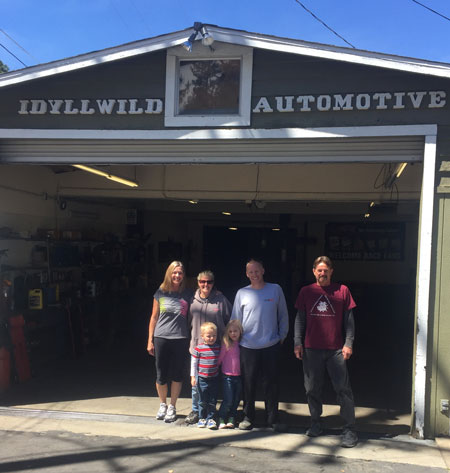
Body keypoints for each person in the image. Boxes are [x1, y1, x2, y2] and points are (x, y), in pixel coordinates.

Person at [294, 255, 358, 448]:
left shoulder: (342, 291)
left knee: (343, 389)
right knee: (312, 388)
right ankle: (316, 422)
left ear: (331, 271)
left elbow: (349, 321)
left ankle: (349, 429)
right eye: (319, 270)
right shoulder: (306, 291)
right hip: (312, 348)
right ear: (314, 271)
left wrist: (349, 343)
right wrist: (297, 342)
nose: (322, 273)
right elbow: (300, 319)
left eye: (326, 270)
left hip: (335, 349)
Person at [231, 259, 289, 431]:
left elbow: (283, 315)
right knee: (248, 383)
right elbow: (235, 320)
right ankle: (248, 416)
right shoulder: (242, 293)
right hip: (248, 346)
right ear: (246, 274)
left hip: (271, 344)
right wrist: (236, 340)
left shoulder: (275, 289)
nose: (254, 275)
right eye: (250, 272)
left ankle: (273, 418)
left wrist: (282, 336)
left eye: (257, 271)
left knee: (271, 383)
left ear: (263, 270)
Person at [185, 270, 232, 425]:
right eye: (202, 282)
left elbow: (229, 320)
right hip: (197, 347)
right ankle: (196, 411)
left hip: (216, 349)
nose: (206, 285)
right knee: (196, 383)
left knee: (212, 384)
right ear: (198, 283)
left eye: (209, 282)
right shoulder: (192, 300)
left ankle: (211, 412)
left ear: (213, 283)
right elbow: (186, 321)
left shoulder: (221, 300)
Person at [147, 261, 191, 423]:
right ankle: (162, 404)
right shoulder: (161, 292)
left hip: (180, 338)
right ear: (169, 273)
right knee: (161, 374)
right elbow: (154, 317)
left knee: (177, 374)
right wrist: (150, 340)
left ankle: (172, 406)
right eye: (174, 272)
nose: (177, 276)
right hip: (161, 337)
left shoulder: (187, 294)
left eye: (180, 273)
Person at [191, 321, 221, 429]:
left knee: (212, 400)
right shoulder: (198, 348)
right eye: (209, 336)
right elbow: (193, 364)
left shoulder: (218, 348)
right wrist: (193, 377)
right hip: (202, 379)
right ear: (202, 336)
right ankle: (201, 418)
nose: (212, 338)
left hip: (214, 378)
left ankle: (211, 419)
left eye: (214, 336)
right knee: (202, 400)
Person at [217, 319, 243, 429]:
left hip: (239, 376)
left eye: (236, 331)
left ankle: (232, 416)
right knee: (228, 399)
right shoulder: (226, 344)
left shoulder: (242, 344)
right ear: (227, 332)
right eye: (231, 331)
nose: (233, 333)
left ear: (240, 331)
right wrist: (215, 367)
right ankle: (221, 417)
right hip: (227, 376)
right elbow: (220, 358)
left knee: (237, 399)